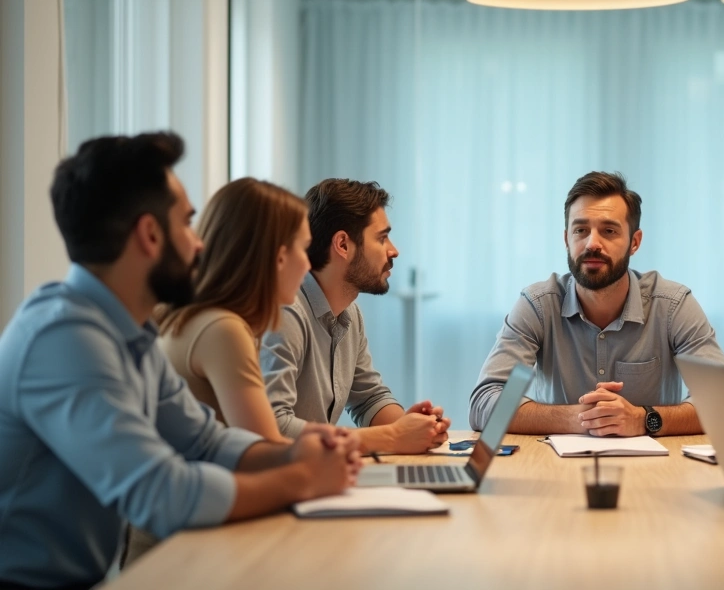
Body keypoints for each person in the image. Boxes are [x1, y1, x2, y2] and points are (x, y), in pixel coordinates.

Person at [0, 133, 360, 589]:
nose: (199, 245)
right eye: (187, 225)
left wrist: (293, 454)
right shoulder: (65, 339)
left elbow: (206, 443)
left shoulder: (130, 336)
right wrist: (300, 479)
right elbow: (162, 494)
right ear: (150, 235)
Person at [469, 171, 724, 437]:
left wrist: (643, 419)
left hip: (657, 472)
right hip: (556, 469)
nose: (592, 243)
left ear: (634, 242)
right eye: (581, 230)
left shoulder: (672, 306)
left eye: (609, 231)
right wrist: (583, 418)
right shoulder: (537, 306)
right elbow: (485, 404)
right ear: (567, 239)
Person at [261, 179, 450, 454]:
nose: (393, 250)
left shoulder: (349, 313)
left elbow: (369, 398)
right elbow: (274, 427)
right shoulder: (286, 312)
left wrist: (414, 428)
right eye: (382, 238)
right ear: (343, 245)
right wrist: (392, 437)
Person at [159, 178, 311, 442]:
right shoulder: (223, 329)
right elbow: (266, 452)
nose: (308, 265)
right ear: (279, 257)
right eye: (304, 249)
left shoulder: (202, 319)